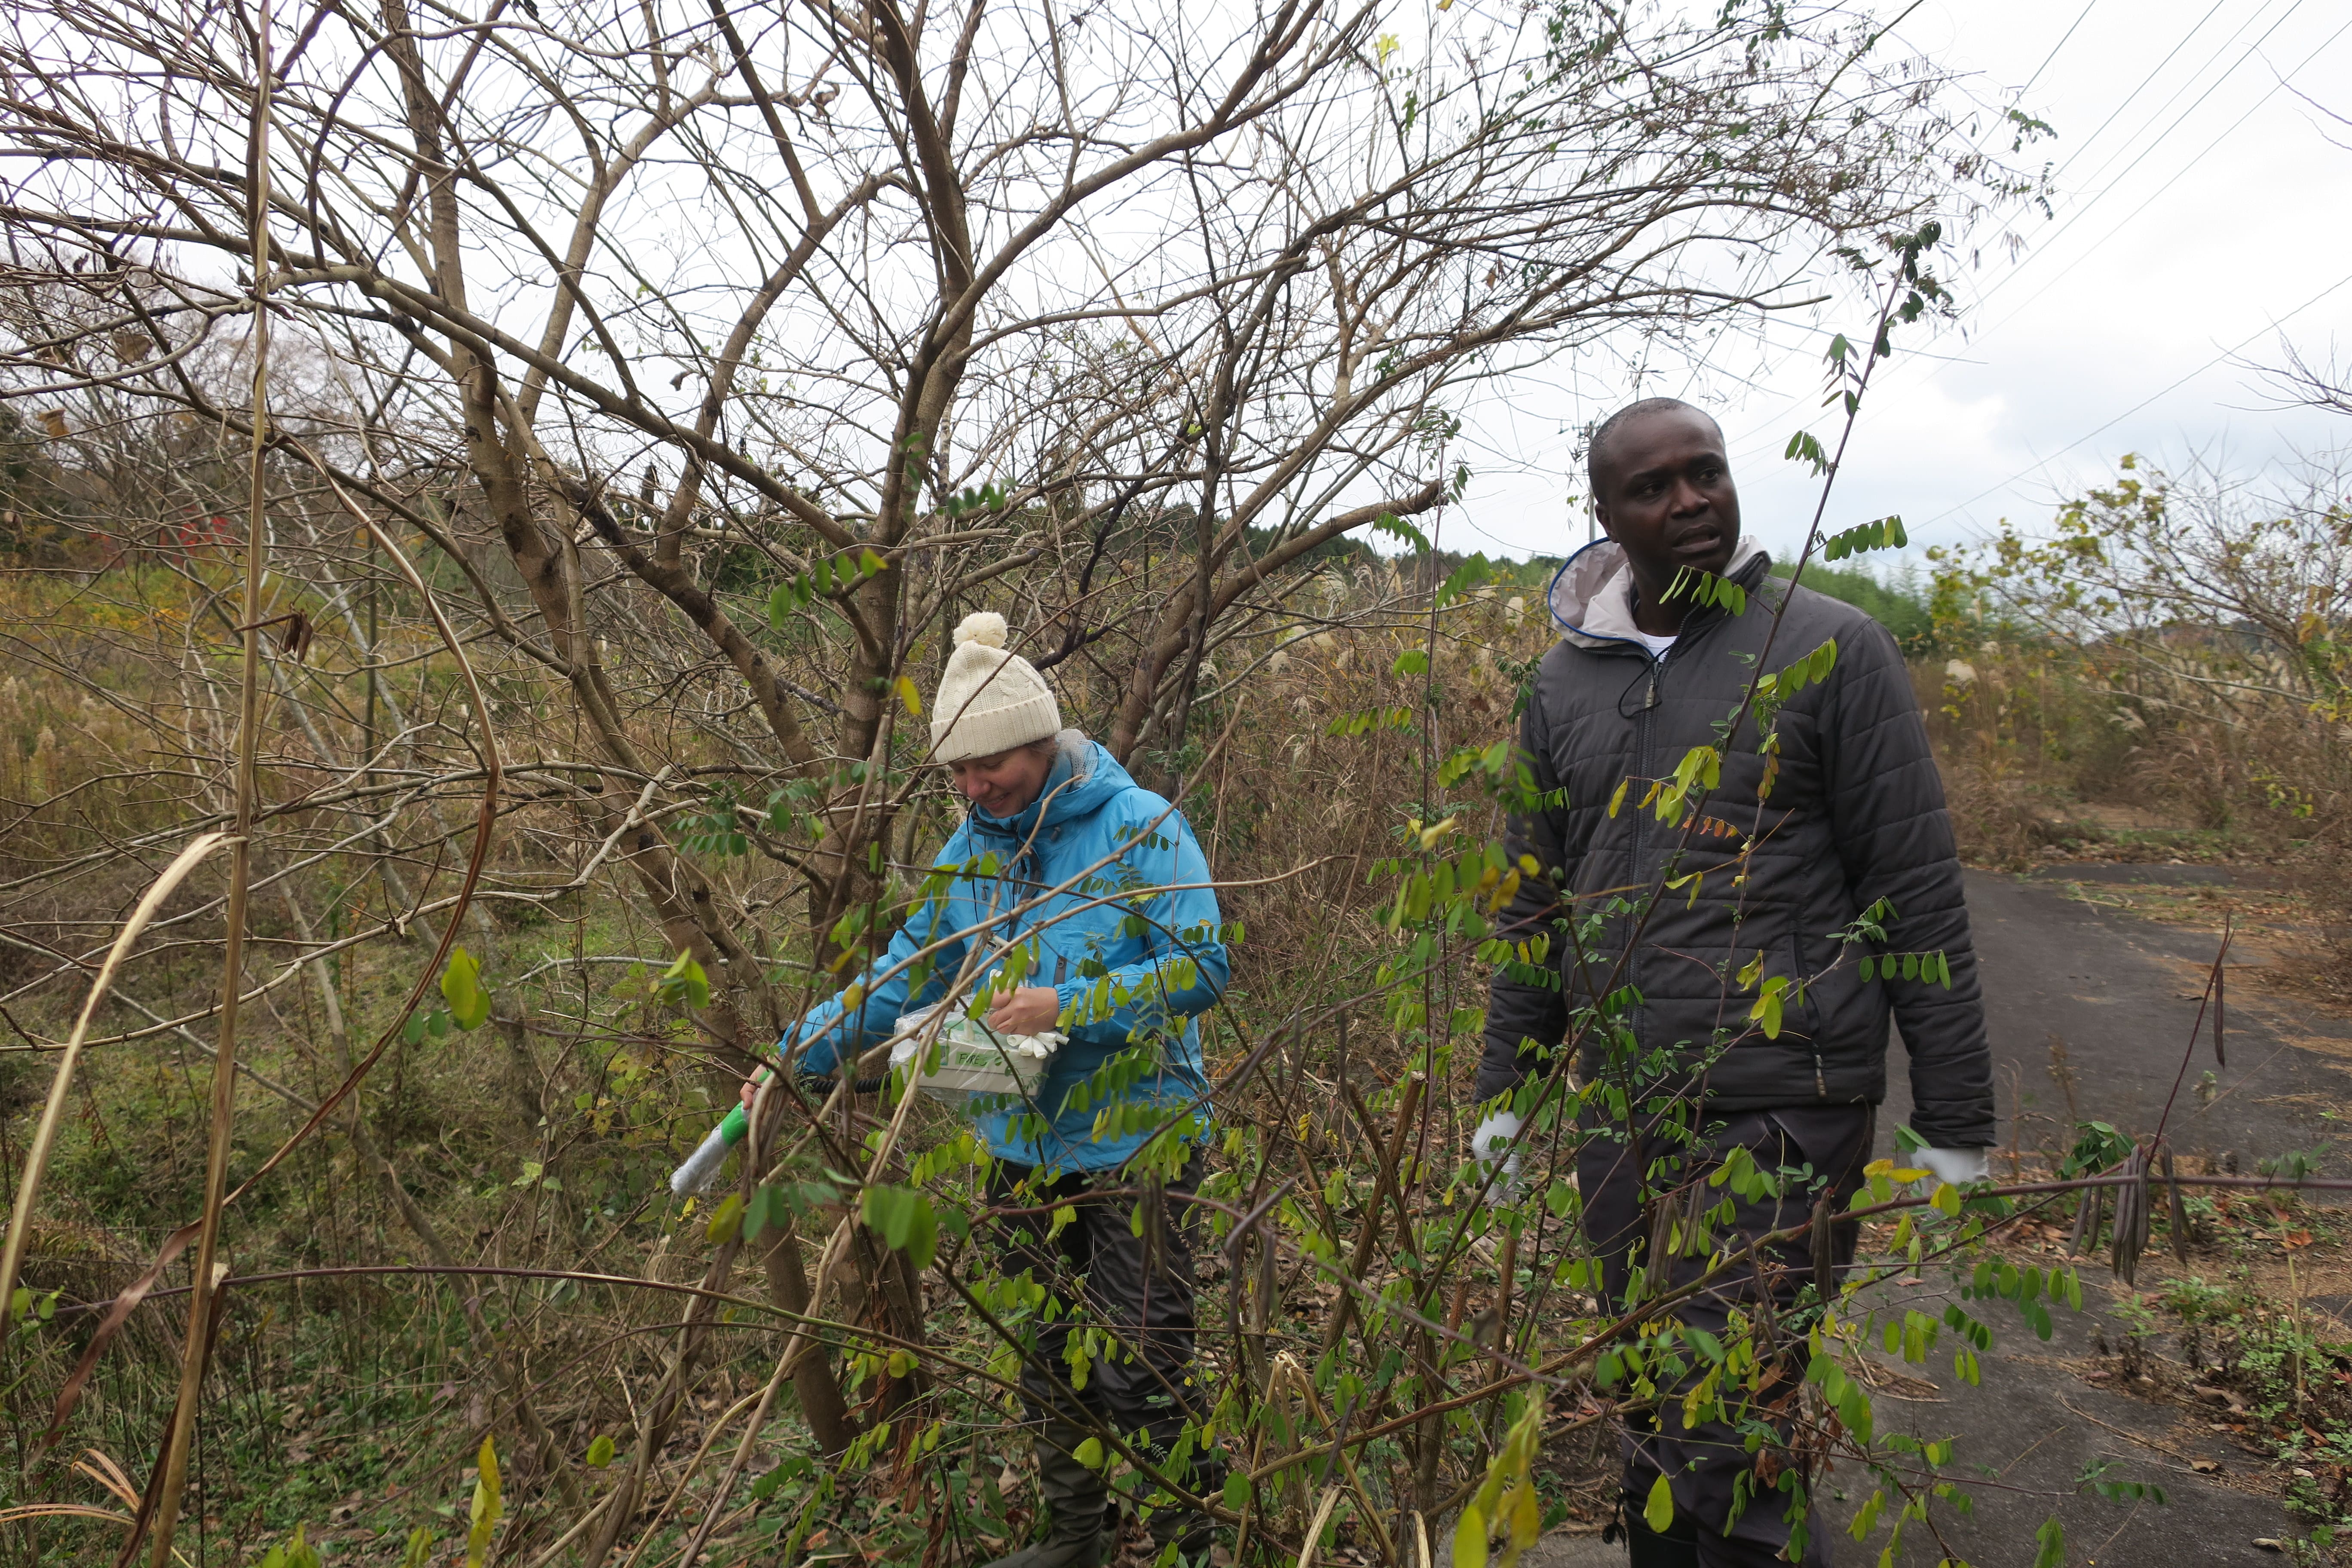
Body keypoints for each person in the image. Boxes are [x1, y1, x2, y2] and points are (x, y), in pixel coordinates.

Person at [1476, 398, 1996, 1567]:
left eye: (1705, 473)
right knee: (1646, 1386)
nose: (1691, 501)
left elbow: (1912, 883)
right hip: (1623, 1100)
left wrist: (1956, 1115)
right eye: (1655, 488)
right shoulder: (1563, 684)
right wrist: (1507, 1089)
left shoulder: (1828, 646)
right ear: (1607, 517)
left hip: (1786, 1092)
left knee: (1733, 1401)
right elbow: (1532, 902)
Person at [743, 611, 1228, 1568]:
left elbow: (1203, 966)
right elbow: (905, 974)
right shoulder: (969, 852)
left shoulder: (1141, 829)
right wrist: (801, 1053)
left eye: (987, 767)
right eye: (957, 774)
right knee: (1049, 1357)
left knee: (1144, 1367)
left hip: (1140, 1141)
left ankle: (1192, 1544)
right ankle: (1075, 1541)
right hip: (1022, 1146)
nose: (972, 788)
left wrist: (1068, 1004)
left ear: (1038, 742)